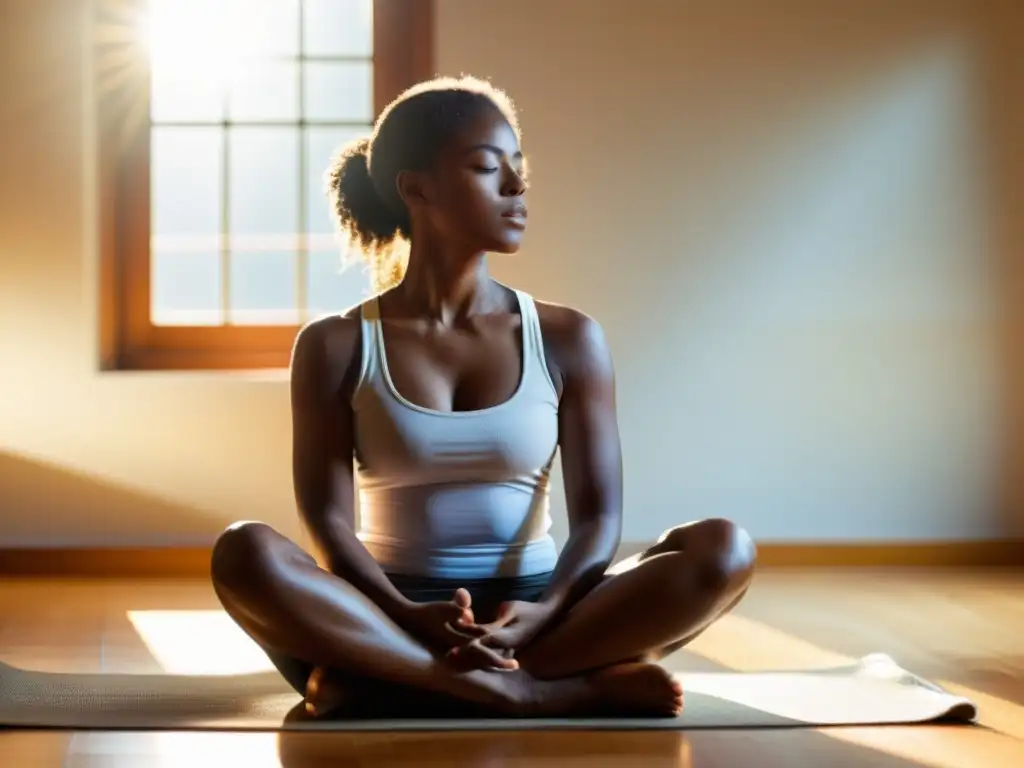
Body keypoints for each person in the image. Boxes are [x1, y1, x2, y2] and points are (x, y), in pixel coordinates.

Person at [210, 75, 757, 719]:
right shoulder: (335, 344)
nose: (517, 188)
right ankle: (538, 690)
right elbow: (328, 525)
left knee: (724, 549)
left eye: (519, 169)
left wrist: (541, 613)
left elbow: (600, 519)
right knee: (243, 551)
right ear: (417, 189)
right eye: (486, 168)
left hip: (538, 611)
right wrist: (408, 616)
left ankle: (403, 686)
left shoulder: (569, 337)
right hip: (386, 608)